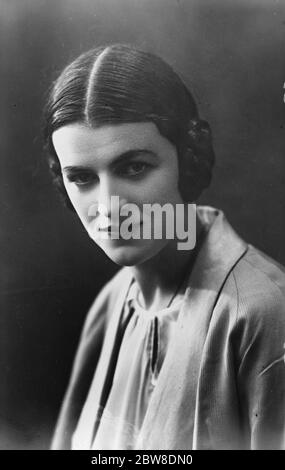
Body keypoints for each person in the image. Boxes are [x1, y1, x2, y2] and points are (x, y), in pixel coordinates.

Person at [43, 44, 285, 450]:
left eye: (133, 168)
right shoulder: (112, 304)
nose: (109, 208)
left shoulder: (263, 315)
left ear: (187, 160)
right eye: (82, 178)